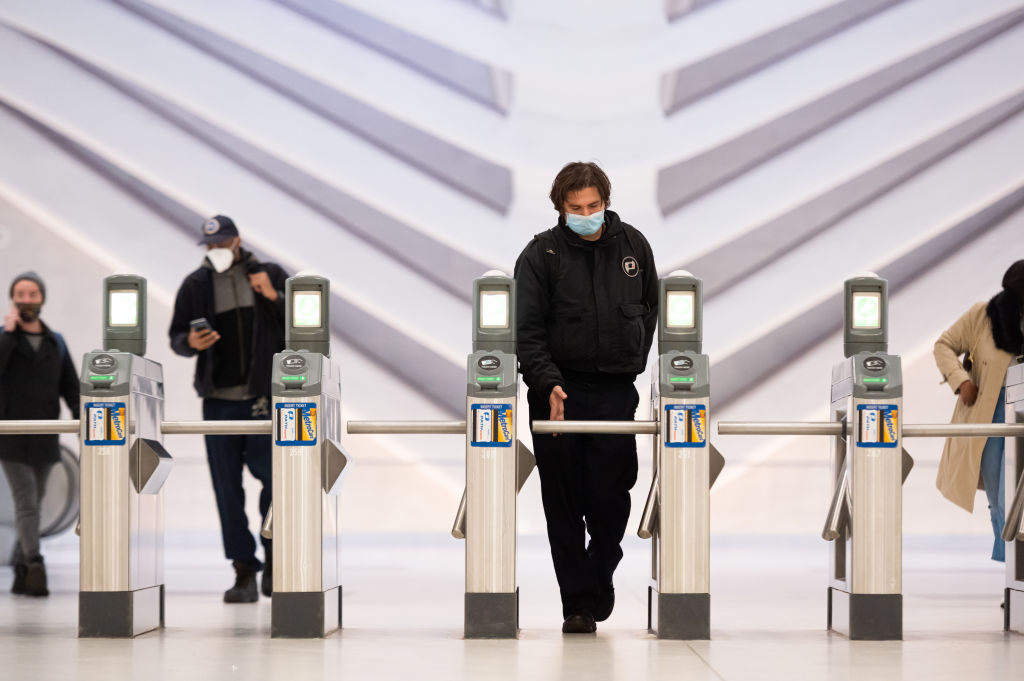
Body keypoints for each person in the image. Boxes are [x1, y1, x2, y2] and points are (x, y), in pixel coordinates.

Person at [515, 162, 658, 633]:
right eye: (576, 208)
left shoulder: (634, 246)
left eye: (593, 206)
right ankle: (577, 604)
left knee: (611, 498)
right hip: (557, 394)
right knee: (563, 503)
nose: (586, 214)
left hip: (616, 392)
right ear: (560, 208)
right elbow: (528, 332)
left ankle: (600, 572)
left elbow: (650, 310)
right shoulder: (541, 254)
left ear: (606, 201)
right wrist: (547, 381)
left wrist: (631, 355)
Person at [169, 215, 289, 603]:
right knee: (226, 489)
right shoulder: (195, 284)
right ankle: (243, 569)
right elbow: (177, 337)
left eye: (222, 243)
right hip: (218, 400)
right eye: (210, 246)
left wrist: (272, 296)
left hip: (263, 400)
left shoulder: (269, 274)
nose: (215, 251)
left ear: (238, 240)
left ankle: (275, 561)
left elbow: (303, 326)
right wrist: (191, 342)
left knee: (275, 483)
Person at [934, 260, 1024, 568]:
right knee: (1000, 498)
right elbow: (944, 345)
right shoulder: (982, 316)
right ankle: (1013, 572)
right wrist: (961, 382)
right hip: (991, 413)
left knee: (1016, 498)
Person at [0, 272, 80, 597]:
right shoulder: (4, 339)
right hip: (12, 437)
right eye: (21, 294)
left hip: (47, 437)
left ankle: (21, 566)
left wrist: (82, 423)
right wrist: (7, 333)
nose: (27, 299)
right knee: (27, 503)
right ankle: (34, 563)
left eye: (33, 294)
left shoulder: (56, 342)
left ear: (42, 299)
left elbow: (72, 388)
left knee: (37, 501)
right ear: (13, 299)